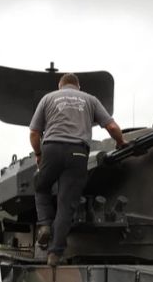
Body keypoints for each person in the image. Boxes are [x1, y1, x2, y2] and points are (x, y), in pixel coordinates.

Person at [29, 73, 127, 267]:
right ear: (78, 87)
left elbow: (34, 132)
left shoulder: (48, 98)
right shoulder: (90, 99)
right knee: (67, 205)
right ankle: (55, 253)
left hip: (52, 148)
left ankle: (45, 224)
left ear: (60, 86)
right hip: (78, 153)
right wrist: (121, 142)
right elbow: (112, 126)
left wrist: (39, 154)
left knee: (41, 186)